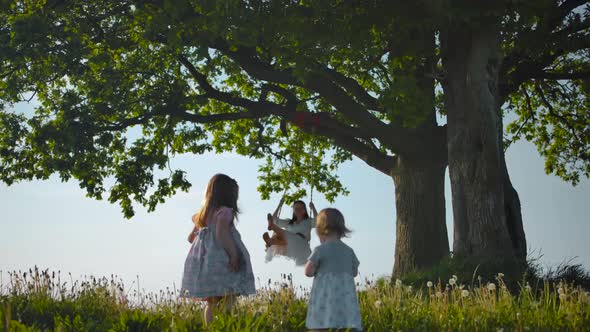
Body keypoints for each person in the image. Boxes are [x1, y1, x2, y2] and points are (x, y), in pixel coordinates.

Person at [180, 174, 255, 326]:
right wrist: (234, 255)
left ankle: (211, 328)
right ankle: (226, 326)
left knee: (212, 303)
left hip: (205, 264)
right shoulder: (225, 211)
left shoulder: (203, 214)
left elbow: (190, 238)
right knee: (230, 296)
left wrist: (203, 239)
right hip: (222, 261)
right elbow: (222, 234)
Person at [304, 208, 362, 331]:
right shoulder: (349, 251)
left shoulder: (320, 250)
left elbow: (308, 271)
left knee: (320, 326)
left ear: (320, 230)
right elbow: (354, 272)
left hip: (324, 301)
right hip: (345, 304)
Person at [263, 198, 318, 266]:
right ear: (293, 210)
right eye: (296, 208)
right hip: (289, 246)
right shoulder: (289, 222)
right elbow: (274, 220)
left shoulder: (308, 221)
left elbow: (318, 222)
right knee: (278, 234)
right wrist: (280, 205)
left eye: (300, 208)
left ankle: (272, 232)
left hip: (301, 245)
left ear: (304, 210)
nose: (298, 210)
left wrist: (313, 208)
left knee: (283, 233)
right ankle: (272, 241)